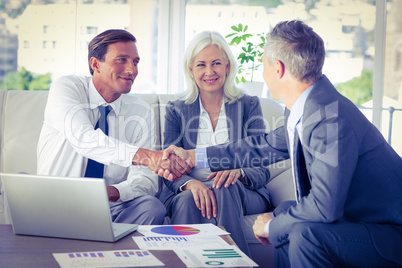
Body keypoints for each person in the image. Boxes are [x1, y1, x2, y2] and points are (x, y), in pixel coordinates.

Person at [160, 20, 402, 267]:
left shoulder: (327, 118)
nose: (262, 73)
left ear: (278, 68)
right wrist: (193, 156)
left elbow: (324, 207)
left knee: (302, 233)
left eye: (264, 63)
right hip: (361, 221)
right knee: (285, 213)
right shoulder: (309, 107)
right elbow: (261, 146)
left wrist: (272, 225)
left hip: (387, 232)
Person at [37, 29, 190, 225]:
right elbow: (83, 138)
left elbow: (146, 180)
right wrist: (149, 157)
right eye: (121, 60)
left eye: (135, 62)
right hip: (56, 202)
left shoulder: (141, 111)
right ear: (95, 64)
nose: (132, 70)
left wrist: (113, 192)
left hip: (108, 207)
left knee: (152, 207)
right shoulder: (67, 88)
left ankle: (113, 251)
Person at [158, 31, 272, 256]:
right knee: (187, 200)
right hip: (190, 189)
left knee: (224, 186)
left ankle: (235, 262)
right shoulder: (176, 109)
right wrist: (191, 184)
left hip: (243, 190)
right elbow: (168, 166)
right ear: (191, 70)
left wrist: (239, 171)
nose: (209, 72)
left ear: (227, 66)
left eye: (216, 63)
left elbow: (262, 166)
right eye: (201, 64)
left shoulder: (248, 105)